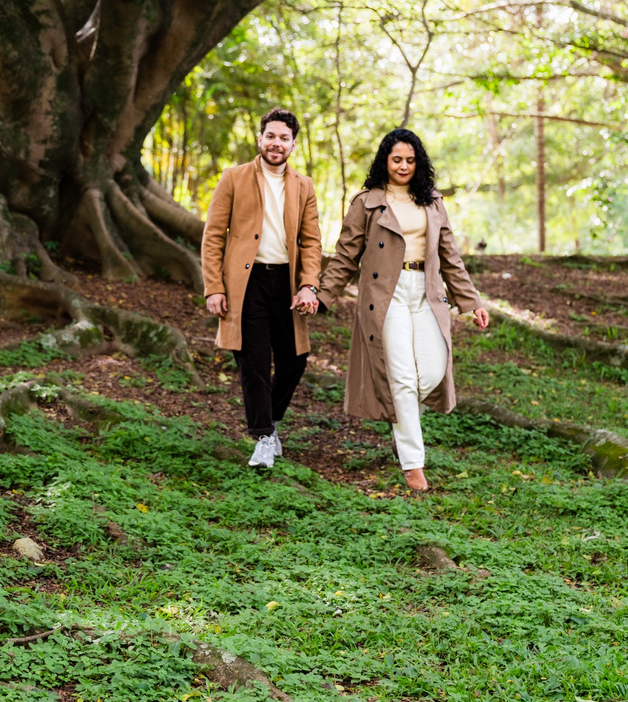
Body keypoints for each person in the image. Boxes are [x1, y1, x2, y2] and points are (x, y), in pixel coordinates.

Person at [317, 128, 489, 491]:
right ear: (385, 161)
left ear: (418, 163)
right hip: (386, 295)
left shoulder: (432, 201)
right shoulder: (367, 202)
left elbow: (450, 257)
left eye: (410, 160)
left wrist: (471, 301)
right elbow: (345, 256)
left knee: (432, 372)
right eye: (397, 159)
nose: (403, 166)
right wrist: (323, 295)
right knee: (402, 379)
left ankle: (402, 418)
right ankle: (413, 465)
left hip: (427, 292)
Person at [201, 109, 322, 468]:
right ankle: (264, 438)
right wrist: (214, 287)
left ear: (293, 144)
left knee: (294, 359)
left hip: (286, 282)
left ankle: (271, 421)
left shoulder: (304, 185)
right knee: (252, 361)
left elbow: (311, 242)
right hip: (246, 282)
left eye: (284, 138)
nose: (276, 143)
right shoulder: (233, 177)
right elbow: (213, 235)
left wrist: (309, 286)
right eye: (271, 136)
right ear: (260, 139)